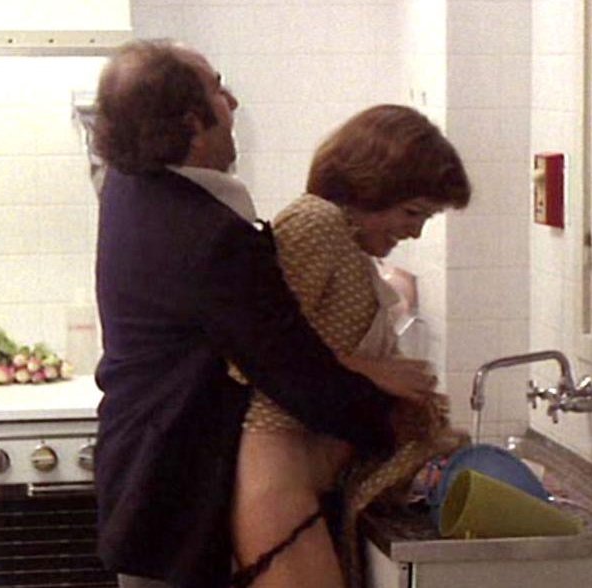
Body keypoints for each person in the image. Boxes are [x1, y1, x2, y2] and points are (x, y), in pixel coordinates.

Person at [91, 40, 437, 588]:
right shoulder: (209, 237)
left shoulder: (130, 188)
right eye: (217, 90)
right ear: (192, 123)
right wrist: (397, 418)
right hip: (181, 495)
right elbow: (294, 374)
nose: (232, 101)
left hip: (141, 483)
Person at [232, 104, 472, 588]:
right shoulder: (316, 224)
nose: (415, 231)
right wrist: (372, 370)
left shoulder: (343, 240)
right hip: (277, 476)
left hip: (297, 475)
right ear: (368, 186)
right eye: (412, 212)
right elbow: (250, 353)